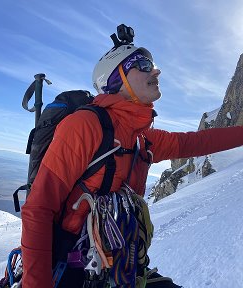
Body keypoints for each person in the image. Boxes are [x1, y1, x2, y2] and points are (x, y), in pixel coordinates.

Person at [21, 25, 243, 288]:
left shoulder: (140, 137)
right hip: (74, 271)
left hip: (120, 269)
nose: (156, 70)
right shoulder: (85, 126)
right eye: (144, 64)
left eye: (153, 64)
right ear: (116, 79)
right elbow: (38, 208)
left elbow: (195, 142)